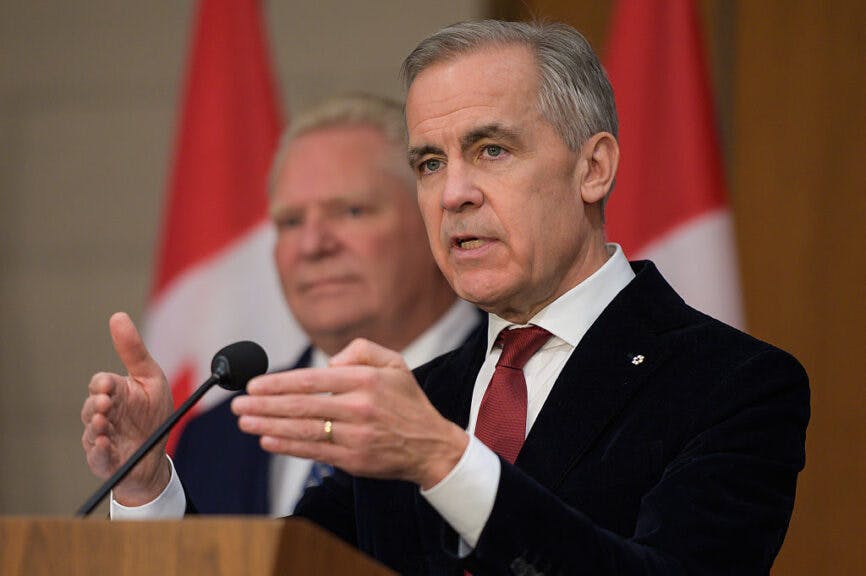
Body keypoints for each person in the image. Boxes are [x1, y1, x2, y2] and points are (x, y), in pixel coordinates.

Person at [82, 21, 809, 575]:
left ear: (594, 168)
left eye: (491, 149)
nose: (454, 193)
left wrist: (442, 461)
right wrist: (149, 486)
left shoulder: (734, 384)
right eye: (430, 163)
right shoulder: (417, 401)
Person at [81, 94, 482, 518]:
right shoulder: (218, 434)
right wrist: (147, 489)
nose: (312, 245)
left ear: (432, 218)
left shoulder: (513, 393)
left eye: (351, 211)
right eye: (290, 222)